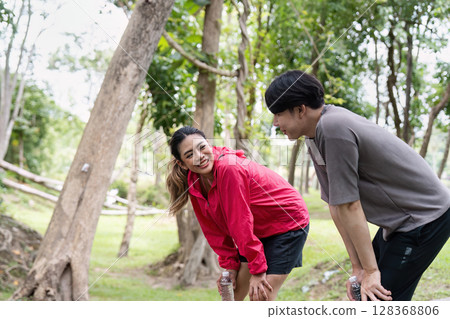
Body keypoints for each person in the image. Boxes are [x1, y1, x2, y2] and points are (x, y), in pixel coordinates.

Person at [264, 70, 450, 301]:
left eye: (278, 113)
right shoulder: (314, 136)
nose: (275, 122)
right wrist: (358, 268)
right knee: (369, 296)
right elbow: (336, 205)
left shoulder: (333, 127)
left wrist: (371, 271)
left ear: (300, 110)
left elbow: (350, 204)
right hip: (401, 222)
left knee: (380, 300)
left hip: (425, 216)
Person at [166, 126, 309, 301]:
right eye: (189, 155)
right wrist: (230, 266)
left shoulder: (228, 168)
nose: (200, 156)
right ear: (181, 163)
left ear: (209, 144)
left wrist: (258, 270)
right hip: (256, 227)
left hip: (287, 222)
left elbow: (239, 222)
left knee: (261, 296)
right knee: (232, 295)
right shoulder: (194, 182)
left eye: (202, 147)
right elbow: (213, 229)